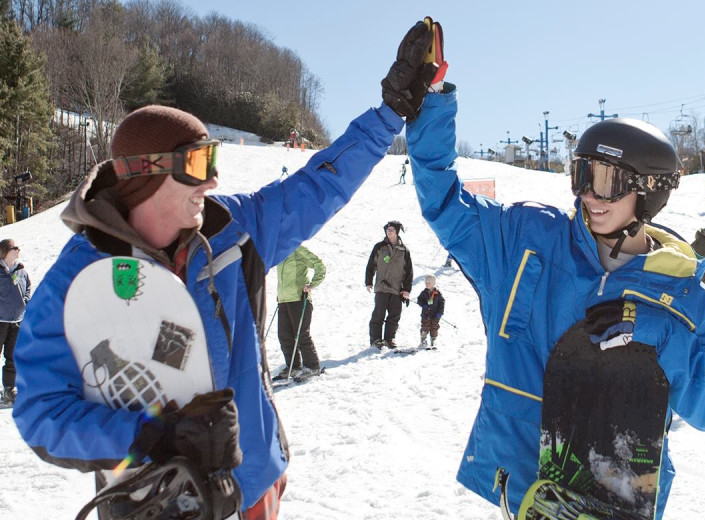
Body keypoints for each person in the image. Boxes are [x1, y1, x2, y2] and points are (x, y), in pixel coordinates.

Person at [11, 21, 433, 516]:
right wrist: (150, 435)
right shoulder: (79, 279)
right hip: (155, 502)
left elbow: (320, 185)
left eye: (213, 161)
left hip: (251, 486)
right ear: (145, 177)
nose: (210, 182)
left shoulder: (235, 232)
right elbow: (42, 411)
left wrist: (389, 114)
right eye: (196, 164)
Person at [405, 33, 705, 517]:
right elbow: (443, 200)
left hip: (617, 503)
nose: (589, 195)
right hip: (522, 494)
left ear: (648, 191)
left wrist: (661, 337)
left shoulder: (685, 296)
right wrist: (431, 104)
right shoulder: (526, 240)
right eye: (582, 175)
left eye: (606, 181)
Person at [275, 245, 326, 381]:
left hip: (300, 299)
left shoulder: (298, 249)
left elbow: (319, 265)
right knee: (284, 335)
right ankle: (293, 366)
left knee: (301, 334)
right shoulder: (280, 251)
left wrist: (312, 284)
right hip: (284, 300)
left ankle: (312, 366)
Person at [365, 220, 413, 348]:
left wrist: (407, 289)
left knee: (394, 315)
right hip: (381, 286)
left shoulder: (404, 250)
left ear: (397, 232)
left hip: (397, 289)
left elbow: (408, 272)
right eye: (387, 229)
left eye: (391, 229)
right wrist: (368, 281)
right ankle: (376, 339)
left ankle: (389, 339)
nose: (389, 231)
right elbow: (371, 264)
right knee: (378, 314)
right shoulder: (379, 247)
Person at [0, 239, 30, 404]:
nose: (18, 250)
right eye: (14, 248)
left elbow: (28, 287)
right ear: (5, 251)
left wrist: (25, 300)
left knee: (12, 357)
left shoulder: (21, 270)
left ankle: (9, 389)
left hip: (16, 320)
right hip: (0, 320)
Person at [416, 274, 445, 348]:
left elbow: (442, 303)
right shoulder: (424, 293)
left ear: (433, 283)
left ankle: (433, 340)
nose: (427, 284)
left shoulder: (437, 293)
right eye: (426, 283)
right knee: (425, 327)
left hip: (435, 315)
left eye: (429, 283)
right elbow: (419, 300)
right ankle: (423, 341)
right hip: (426, 314)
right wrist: (423, 305)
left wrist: (440, 313)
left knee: (434, 327)